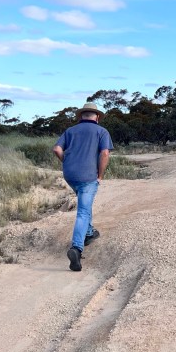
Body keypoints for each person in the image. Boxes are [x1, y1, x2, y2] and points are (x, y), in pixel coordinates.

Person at [52, 101, 113, 272]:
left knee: (85, 203)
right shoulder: (102, 131)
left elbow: (57, 149)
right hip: (88, 175)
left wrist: (67, 162)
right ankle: (76, 248)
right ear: (98, 117)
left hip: (70, 175)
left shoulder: (70, 131)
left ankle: (88, 233)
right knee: (83, 211)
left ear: (81, 116)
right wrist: (100, 175)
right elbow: (105, 153)